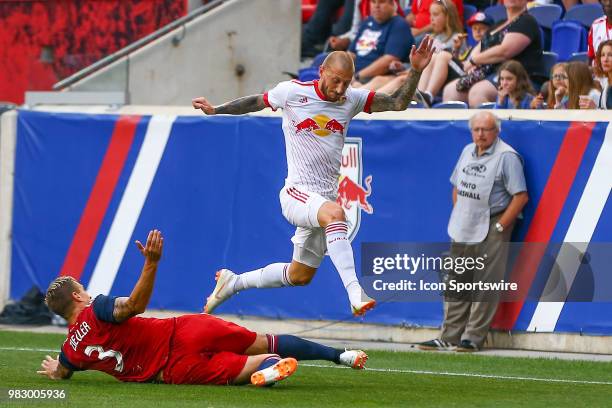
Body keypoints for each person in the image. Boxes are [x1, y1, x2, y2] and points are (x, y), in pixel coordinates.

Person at [192, 40, 435, 317]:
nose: (340, 89)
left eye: (346, 83)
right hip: (297, 193)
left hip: (323, 200)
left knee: (299, 275)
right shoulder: (291, 93)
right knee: (335, 213)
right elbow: (254, 102)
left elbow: (397, 103)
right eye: (335, 81)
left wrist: (415, 71)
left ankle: (234, 282)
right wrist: (216, 109)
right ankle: (355, 291)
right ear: (321, 71)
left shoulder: (351, 99)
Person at [37, 230, 369, 387]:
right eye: (83, 288)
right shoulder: (98, 308)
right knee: (266, 339)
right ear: (79, 297)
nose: (88, 292)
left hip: (172, 370)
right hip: (185, 329)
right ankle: (339, 355)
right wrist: (151, 263)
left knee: (248, 366)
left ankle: (269, 368)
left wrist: (56, 370)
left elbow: (63, 371)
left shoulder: (72, 350)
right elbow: (134, 306)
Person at [418, 112, 528, 352]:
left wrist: (500, 226)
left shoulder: (507, 156)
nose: (480, 134)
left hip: (493, 222)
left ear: (496, 131)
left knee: (486, 283)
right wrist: (462, 214)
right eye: (476, 129)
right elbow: (457, 187)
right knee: (457, 282)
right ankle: (449, 336)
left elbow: (520, 197)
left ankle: (473, 338)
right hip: (464, 224)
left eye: (486, 129)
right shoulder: (467, 150)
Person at [442, 0, 544, 108]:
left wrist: (474, 61)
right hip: (489, 73)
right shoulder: (499, 24)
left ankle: (488, 125)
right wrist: (472, 62)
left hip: (516, 77)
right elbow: (480, 47)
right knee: (451, 91)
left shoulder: (527, 21)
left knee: (478, 93)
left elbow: (504, 51)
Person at [361, 0, 465, 96]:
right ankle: (359, 97)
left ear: (448, 17)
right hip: (418, 74)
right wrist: (403, 66)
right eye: (430, 15)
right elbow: (419, 62)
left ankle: (369, 103)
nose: (431, 19)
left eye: (436, 15)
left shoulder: (457, 38)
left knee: (401, 81)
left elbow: (459, 64)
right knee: (380, 79)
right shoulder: (429, 38)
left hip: (436, 81)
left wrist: (456, 49)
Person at [349, 0, 414, 85]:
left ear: (392, 4)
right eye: (373, 2)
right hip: (352, 75)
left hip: (374, 78)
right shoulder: (368, 21)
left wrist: (357, 76)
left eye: (381, 2)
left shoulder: (399, 25)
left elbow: (388, 61)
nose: (376, 6)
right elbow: (351, 53)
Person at [587, 0, 612, 65]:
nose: (609, 3)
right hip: (599, 73)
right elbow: (591, 58)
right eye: (605, 0)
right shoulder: (596, 26)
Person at [593, 40, 612, 109]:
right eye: (602, 55)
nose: (605, 59)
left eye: (610, 55)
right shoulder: (606, 84)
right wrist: (593, 107)